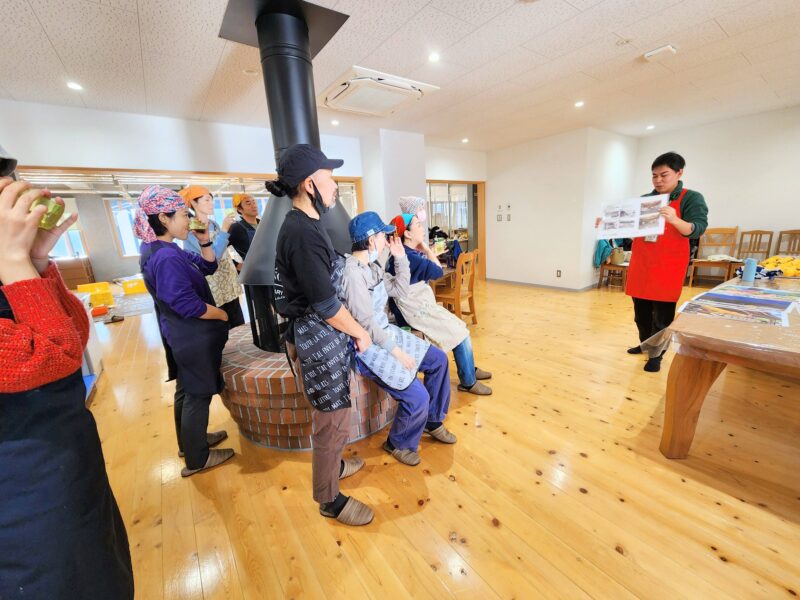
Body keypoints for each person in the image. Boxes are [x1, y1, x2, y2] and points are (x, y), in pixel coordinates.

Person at [0, 176, 134, 599]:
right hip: (23, 497)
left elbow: (74, 332)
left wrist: (36, 261)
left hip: (70, 465)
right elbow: (55, 354)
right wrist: (14, 262)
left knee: (105, 564)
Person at [271, 144, 374, 527]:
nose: (335, 186)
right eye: (329, 178)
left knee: (336, 417)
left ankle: (335, 466)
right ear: (309, 183)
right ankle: (328, 499)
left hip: (321, 340)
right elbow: (327, 305)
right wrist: (361, 332)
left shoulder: (306, 225)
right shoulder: (302, 232)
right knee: (331, 423)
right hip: (318, 342)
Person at [342, 211, 457, 468]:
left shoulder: (372, 267)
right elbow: (366, 324)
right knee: (418, 397)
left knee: (438, 360)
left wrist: (401, 258)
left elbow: (400, 290)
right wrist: (397, 353)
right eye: (383, 236)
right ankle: (398, 443)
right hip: (368, 346)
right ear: (371, 240)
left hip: (386, 334)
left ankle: (433, 420)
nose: (386, 240)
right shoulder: (352, 275)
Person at [135, 185, 234, 477]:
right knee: (198, 394)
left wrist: (205, 241)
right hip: (191, 334)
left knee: (186, 390)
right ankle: (197, 459)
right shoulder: (165, 257)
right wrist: (221, 314)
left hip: (180, 333)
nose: (187, 221)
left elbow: (207, 267)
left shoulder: (163, 248)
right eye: (182, 215)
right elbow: (185, 303)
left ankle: (190, 443)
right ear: (163, 218)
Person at [386, 212, 492, 395]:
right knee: (461, 332)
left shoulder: (401, 255)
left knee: (459, 327)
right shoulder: (412, 258)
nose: (422, 229)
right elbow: (438, 271)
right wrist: (427, 250)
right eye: (418, 225)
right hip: (415, 312)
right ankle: (468, 381)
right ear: (408, 234)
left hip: (416, 308)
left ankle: (469, 368)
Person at [624, 152, 708, 372]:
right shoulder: (645, 200)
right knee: (641, 314)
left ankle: (656, 355)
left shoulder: (692, 198)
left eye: (664, 175)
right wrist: (609, 223)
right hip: (642, 263)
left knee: (661, 316)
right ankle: (646, 344)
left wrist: (674, 219)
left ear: (679, 173)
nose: (658, 180)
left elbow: (697, 229)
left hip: (668, 266)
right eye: (654, 176)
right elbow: (631, 230)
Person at [180, 185, 245, 328]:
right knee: (222, 326)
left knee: (238, 325)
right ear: (194, 203)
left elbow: (224, 251)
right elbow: (213, 258)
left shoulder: (214, 224)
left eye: (211, 200)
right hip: (213, 285)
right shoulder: (193, 227)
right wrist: (225, 229)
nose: (211, 204)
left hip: (228, 282)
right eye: (206, 200)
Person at [228, 192, 260, 267]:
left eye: (254, 202)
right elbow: (220, 250)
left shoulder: (264, 224)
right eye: (248, 203)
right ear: (239, 209)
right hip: (253, 269)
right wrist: (236, 265)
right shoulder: (236, 228)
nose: (253, 206)